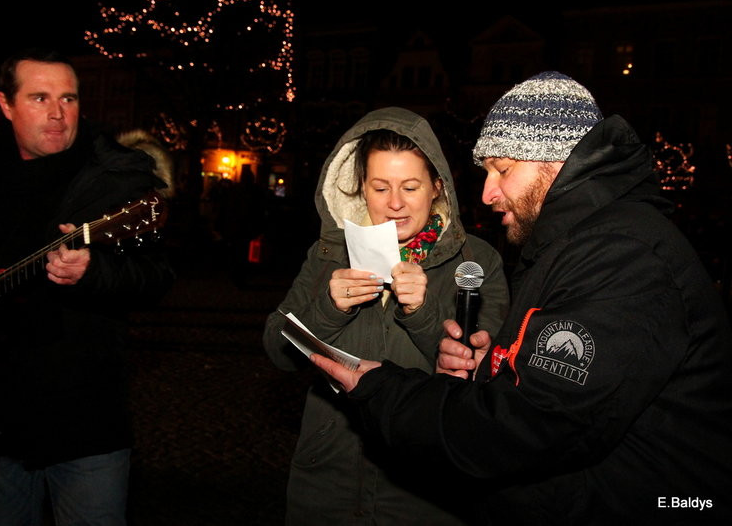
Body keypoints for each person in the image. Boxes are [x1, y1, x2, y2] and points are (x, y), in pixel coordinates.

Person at [311, 72, 732, 524]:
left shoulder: (622, 255)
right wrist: (492, 363)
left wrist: (380, 389)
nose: (488, 191)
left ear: (556, 162)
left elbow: (532, 426)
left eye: (503, 169)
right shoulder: (571, 244)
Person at [0, 49, 174, 525]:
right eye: (39, 98)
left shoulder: (116, 176)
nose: (58, 113)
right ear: (5, 104)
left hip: (81, 419)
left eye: (69, 98)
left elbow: (158, 276)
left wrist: (95, 272)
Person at [263, 107, 509, 524]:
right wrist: (328, 306)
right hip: (326, 486)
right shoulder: (329, 254)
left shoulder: (476, 261)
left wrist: (422, 311)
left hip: (426, 493)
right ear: (361, 188)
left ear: (436, 188)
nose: (395, 203)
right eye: (380, 188)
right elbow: (277, 349)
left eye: (410, 187)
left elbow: (483, 383)